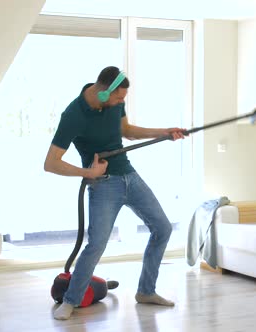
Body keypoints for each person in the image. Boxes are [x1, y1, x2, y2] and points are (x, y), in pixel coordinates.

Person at [44, 66, 187, 320]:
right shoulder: (73, 115)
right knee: (97, 244)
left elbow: (127, 131)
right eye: (119, 98)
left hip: (129, 176)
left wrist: (164, 132)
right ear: (102, 93)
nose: (122, 102)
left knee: (163, 228)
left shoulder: (113, 104)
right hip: (103, 184)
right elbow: (51, 162)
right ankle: (70, 300)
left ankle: (146, 292)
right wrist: (89, 173)